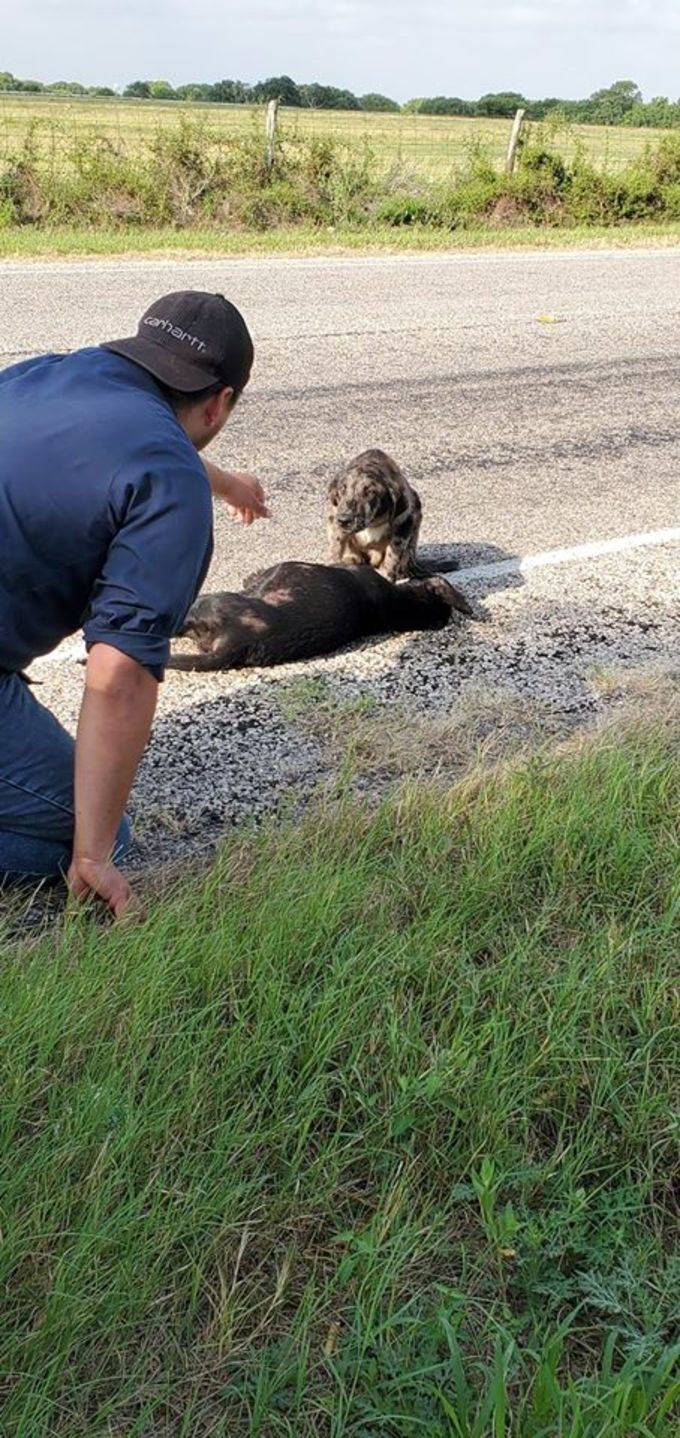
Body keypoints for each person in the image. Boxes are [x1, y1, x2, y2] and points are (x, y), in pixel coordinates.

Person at [0, 289, 269, 917]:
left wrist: (224, 480)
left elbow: (129, 441)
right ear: (221, 402)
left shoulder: (50, 373)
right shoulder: (170, 485)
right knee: (96, 831)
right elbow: (118, 675)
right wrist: (92, 856)